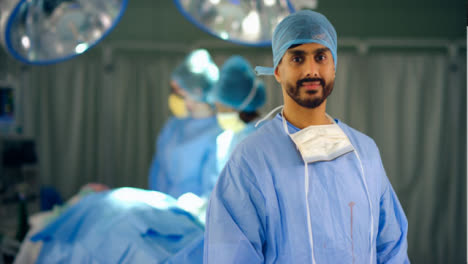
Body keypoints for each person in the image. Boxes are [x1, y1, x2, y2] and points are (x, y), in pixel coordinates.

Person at [204, 10, 409, 264]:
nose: (311, 70)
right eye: (298, 58)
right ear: (278, 70)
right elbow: (230, 256)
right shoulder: (251, 160)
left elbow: (392, 251)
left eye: (321, 57)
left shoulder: (365, 153)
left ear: (334, 66)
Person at [148, 49, 222, 199]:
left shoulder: (218, 133)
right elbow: (158, 172)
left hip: (196, 216)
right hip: (164, 210)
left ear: (198, 91)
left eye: (180, 91)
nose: (175, 96)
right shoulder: (173, 126)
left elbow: (213, 189)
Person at [210, 55, 266, 174]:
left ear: (238, 107)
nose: (218, 114)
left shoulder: (267, 138)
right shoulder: (227, 140)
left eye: (222, 109)